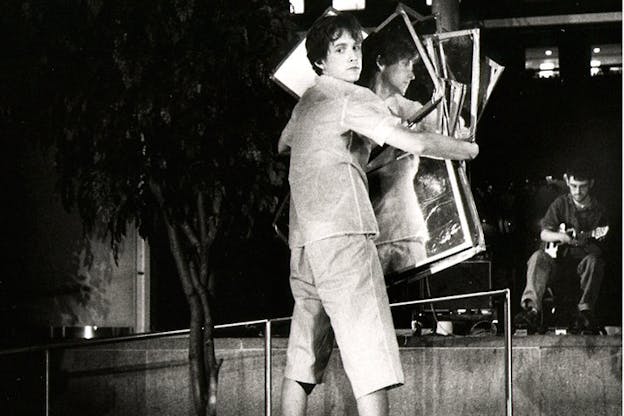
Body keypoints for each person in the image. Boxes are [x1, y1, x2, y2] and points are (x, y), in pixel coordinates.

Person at [278, 13, 478, 416]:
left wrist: (350, 152)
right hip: (345, 240)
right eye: (341, 49)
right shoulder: (352, 98)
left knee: (302, 358)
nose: (353, 56)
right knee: (370, 357)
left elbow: (285, 145)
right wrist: (467, 148)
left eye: (356, 47)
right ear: (321, 60)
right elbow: (414, 141)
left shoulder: (306, 102)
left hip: (304, 244)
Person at [358, 27, 441, 275]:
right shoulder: (354, 106)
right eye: (406, 64)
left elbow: (451, 127)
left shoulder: (405, 107)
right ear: (381, 62)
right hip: (366, 236)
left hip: (406, 230)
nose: (412, 74)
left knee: (413, 310)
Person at [516, 163, 608, 334]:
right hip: (557, 265)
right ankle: (531, 310)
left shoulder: (599, 211)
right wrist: (562, 237)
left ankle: (585, 313)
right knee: (537, 257)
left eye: (582, 187)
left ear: (591, 184)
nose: (577, 192)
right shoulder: (560, 204)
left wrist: (582, 242)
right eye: (573, 186)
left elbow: (600, 250)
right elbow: (544, 234)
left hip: (581, 266)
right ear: (567, 181)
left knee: (594, 262)